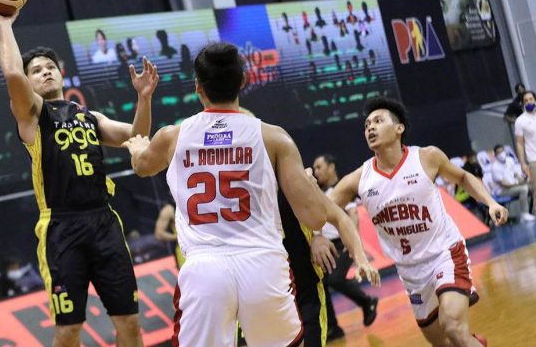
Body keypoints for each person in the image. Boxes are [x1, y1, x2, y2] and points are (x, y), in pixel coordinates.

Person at [122, 42, 379, 346]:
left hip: (205, 270)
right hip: (262, 264)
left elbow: (140, 166)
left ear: (197, 87)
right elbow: (313, 216)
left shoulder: (172, 136)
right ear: (242, 81)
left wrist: (138, 145)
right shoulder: (274, 137)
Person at [0, 6, 160, 347]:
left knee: (130, 323)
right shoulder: (33, 116)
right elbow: (13, 75)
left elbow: (137, 136)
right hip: (62, 228)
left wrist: (143, 99)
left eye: (50, 67)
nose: (45, 72)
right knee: (68, 330)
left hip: (104, 222)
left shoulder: (89, 116)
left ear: (61, 75)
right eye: (37, 71)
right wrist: (4, 25)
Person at [329, 97, 508, 347]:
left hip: (445, 253)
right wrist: (316, 235)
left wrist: (490, 202)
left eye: (378, 121)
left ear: (399, 128)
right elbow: (324, 210)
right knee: (441, 343)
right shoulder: (359, 179)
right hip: (411, 272)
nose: (370, 127)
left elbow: (463, 177)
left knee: (453, 328)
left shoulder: (426, 157)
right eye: (367, 124)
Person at [309, 154, 379, 341]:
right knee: (322, 283)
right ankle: (333, 328)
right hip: (329, 247)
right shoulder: (321, 194)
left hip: (342, 244)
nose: (316, 172)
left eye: (319, 167)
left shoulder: (340, 190)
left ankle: (367, 301)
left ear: (331, 167)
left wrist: (353, 242)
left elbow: (353, 214)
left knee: (334, 279)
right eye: (314, 168)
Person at [515, 90, 536, 237]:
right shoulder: (520, 121)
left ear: (535, 99)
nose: (529, 102)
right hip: (535, 160)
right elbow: (519, 143)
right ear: (523, 103)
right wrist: (522, 163)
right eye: (526, 101)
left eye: (531, 99)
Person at [491, 144, 534, 221]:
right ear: (495, 155)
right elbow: (503, 184)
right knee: (523, 189)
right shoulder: (495, 167)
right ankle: (525, 214)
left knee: (533, 187)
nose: (501, 154)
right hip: (502, 191)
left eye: (502, 151)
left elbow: (515, 173)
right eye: (498, 153)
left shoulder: (509, 160)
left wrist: (522, 180)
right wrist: (518, 184)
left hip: (513, 186)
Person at [153, 201, 185, 269]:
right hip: (183, 250)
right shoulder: (169, 209)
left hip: (204, 246)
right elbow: (159, 233)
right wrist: (178, 237)